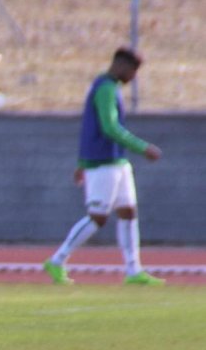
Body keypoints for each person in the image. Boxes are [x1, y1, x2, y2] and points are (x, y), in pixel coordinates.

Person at [43, 47, 164, 286]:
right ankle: (57, 260)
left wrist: (80, 163)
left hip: (117, 162)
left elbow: (90, 127)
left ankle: (133, 270)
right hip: (103, 163)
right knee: (97, 217)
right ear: (121, 65)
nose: (133, 77)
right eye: (133, 70)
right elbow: (108, 127)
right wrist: (142, 147)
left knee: (128, 212)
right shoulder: (105, 88)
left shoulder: (110, 87)